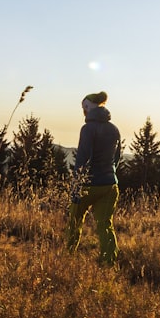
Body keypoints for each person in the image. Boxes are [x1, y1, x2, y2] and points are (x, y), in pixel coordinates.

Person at [66, 91, 121, 265]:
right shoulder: (114, 129)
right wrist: (109, 173)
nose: (84, 112)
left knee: (75, 220)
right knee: (105, 224)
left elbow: (83, 158)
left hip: (89, 184)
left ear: (92, 107)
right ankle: (109, 262)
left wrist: (76, 186)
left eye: (85, 108)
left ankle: (68, 257)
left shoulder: (87, 129)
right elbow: (116, 158)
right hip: (110, 184)